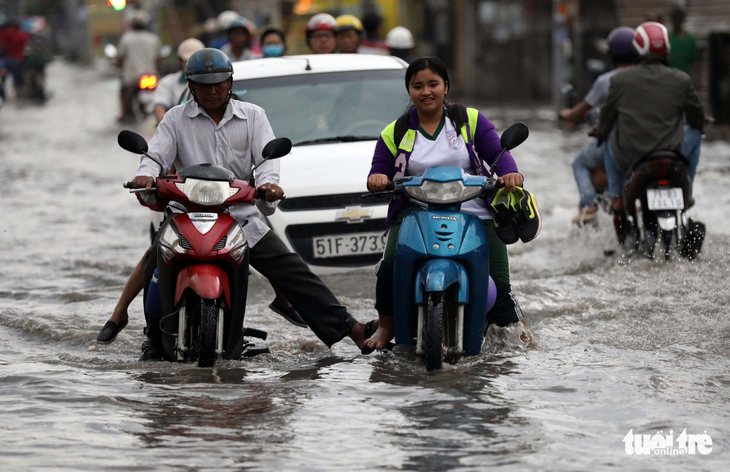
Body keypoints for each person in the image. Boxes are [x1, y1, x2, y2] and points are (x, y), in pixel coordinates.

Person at [97, 48, 369, 358]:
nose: (212, 91)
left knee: (291, 268)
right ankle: (153, 338)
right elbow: (155, 156)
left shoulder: (253, 115)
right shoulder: (175, 118)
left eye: (219, 84)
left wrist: (268, 185)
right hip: (186, 214)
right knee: (154, 264)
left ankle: (352, 329)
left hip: (238, 215)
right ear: (191, 86)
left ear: (230, 83)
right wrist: (145, 176)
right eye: (203, 85)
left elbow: (267, 161)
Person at [364, 57, 530, 351]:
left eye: (433, 84)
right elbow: (379, 168)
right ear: (409, 90)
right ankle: (387, 324)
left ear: (445, 87)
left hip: (474, 207)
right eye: (418, 86)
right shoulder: (395, 131)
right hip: (416, 210)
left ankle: (514, 330)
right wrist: (377, 177)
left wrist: (509, 172)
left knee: (500, 283)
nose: (426, 91)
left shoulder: (470, 120)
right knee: (390, 265)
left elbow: (497, 153)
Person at [598, 22, 705, 223]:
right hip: (673, 153)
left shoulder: (621, 80)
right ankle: (687, 193)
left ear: (638, 48)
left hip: (632, 156)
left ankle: (618, 198)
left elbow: (606, 119)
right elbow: (697, 118)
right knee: (696, 132)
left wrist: (600, 131)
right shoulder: (681, 80)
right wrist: (698, 124)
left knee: (608, 134)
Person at [560, 27, 637, 226]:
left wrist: (568, 114)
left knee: (580, 163)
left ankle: (588, 205)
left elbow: (582, 109)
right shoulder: (647, 79)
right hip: (646, 143)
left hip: (615, 145)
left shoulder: (606, 81)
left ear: (611, 55)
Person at [116, 11, 161, 123]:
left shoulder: (126, 38)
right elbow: (158, 60)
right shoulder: (153, 38)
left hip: (132, 76)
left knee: (123, 92)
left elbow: (120, 58)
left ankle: (124, 114)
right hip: (150, 75)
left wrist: (119, 64)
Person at [152, 38, 204, 123]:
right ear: (180, 60)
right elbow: (159, 108)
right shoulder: (167, 83)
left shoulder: (215, 83)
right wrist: (167, 129)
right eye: (186, 61)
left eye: (195, 61)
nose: (191, 65)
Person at [668, 8, 701, 86]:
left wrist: (699, 80)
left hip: (686, 79)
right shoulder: (668, 37)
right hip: (670, 79)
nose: (676, 23)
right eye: (674, 20)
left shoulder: (690, 39)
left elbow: (696, 62)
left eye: (678, 20)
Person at [1, 19, 29, 99]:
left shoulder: (7, 34)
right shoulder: (23, 35)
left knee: (3, 77)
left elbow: (2, 45)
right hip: (20, 59)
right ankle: (17, 93)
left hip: (9, 59)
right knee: (17, 77)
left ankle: (3, 93)